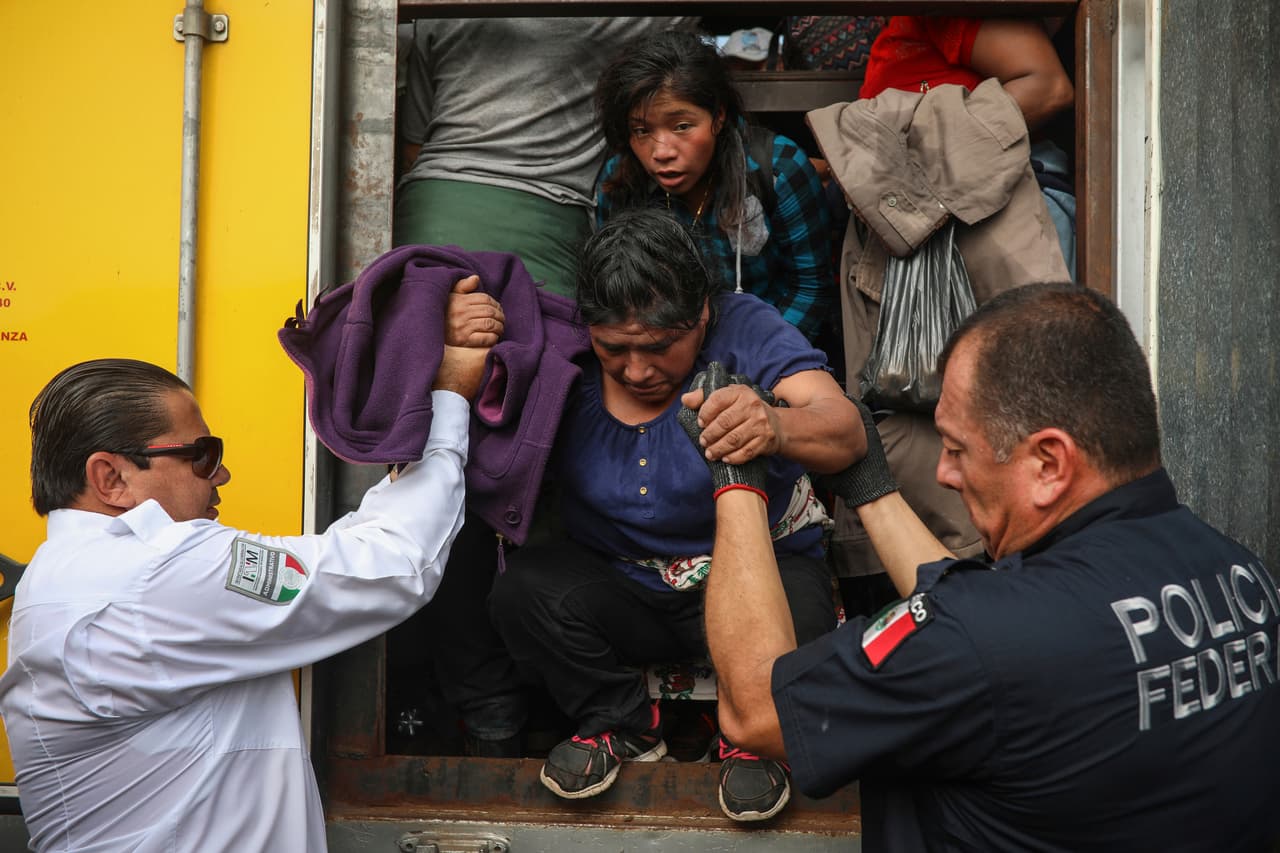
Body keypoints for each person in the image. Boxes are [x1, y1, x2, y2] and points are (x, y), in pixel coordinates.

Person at [696, 282, 1280, 850]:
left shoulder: (980, 643)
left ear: (1049, 463)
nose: (945, 473)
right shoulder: (1243, 577)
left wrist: (736, 475)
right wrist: (875, 492)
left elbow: (756, 712)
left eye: (957, 449)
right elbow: (997, 619)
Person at [0, 339, 490, 851]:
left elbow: (341, 560)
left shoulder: (69, 576)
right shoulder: (154, 573)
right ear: (111, 477)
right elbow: (394, 563)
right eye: (201, 455)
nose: (222, 474)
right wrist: (448, 396)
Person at [488, 208, 862, 821]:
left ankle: (751, 740)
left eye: (660, 347)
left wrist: (774, 424)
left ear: (703, 315)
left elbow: (845, 430)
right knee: (522, 593)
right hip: (624, 586)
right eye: (614, 348)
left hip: (757, 579)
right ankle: (623, 721)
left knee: (800, 635)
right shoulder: (562, 351)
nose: (637, 370)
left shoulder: (745, 328)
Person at [594, 30, 834, 343]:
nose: (662, 151)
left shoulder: (778, 170)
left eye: (682, 126)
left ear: (718, 116)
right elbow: (618, 293)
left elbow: (810, 288)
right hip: (666, 352)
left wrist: (765, 359)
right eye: (641, 130)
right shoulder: (622, 182)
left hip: (768, 348)